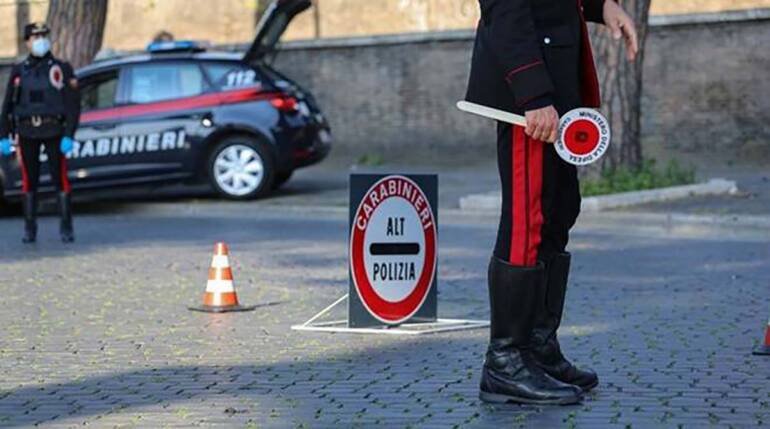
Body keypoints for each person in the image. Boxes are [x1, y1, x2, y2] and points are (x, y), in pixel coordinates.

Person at [465, 0, 638, 404]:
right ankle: (505, 361)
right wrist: (533, 91)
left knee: (560, 208)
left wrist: (601, 6)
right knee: (529, 219)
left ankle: (538, 348)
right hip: (530, 94)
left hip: (557, 83)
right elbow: (505, 7)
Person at [0, 22, 81, 243]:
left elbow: (73, 105)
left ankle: (66, 228)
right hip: (27, 131)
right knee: (29, 181)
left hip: (54, 130)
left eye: (43, 36)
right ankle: (29, 229)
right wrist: (4, 135)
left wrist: (69, 134)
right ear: (27, 42)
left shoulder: (61, 68)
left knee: (60, 179)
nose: (40, 40)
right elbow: (7, 105)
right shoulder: (19, 70)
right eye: (35, 37)